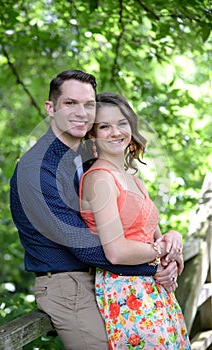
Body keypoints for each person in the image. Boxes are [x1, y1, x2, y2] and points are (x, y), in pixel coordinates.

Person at [10, 70, 183, 350]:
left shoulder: (85, 156)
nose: (81, 112)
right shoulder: (36, 170)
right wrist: (156, 263)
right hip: (68, 286)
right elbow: (85, 246)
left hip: (104, 279)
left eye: (88, 104)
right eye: (70, 103)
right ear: (50, 108)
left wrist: (167, 257)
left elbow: (125, 225)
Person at [79, 92, 191, 349]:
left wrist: (172, 248)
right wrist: (161, 251)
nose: (115, 132)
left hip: (155, 290)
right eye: (104, 126)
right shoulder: (100, 179)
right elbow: (116, 252)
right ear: (92, 136)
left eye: (121, 123)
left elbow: (154, 238)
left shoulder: (133, 179)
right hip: (127, 293)